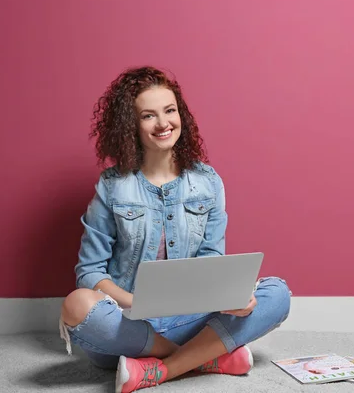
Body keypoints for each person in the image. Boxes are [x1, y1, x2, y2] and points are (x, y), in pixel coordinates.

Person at [59, 66, 291, 393]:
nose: (164, 123)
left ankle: (162, 370)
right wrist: (136, 301)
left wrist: (231, 298)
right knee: (76, 304)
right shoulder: (112, 187)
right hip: (128, 327)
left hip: (191, 321)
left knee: (276, 293)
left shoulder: (207, 182)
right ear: (132, 126)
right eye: (148, 116)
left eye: (170, 110)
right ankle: (206, 358)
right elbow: (89, 271)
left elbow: (212, 261)